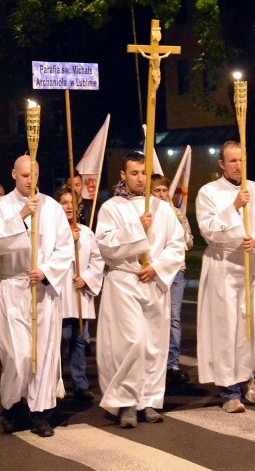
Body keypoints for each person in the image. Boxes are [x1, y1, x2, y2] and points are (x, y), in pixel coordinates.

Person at [0, 155, 74, 438]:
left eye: (33, 175)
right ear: (13, 174)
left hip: (43, 289)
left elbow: (65, 247)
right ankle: (11, 404)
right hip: (13, 288)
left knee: (44, 354)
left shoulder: (53, 207)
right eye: (24, 175)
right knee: (18, 354)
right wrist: (21, 216)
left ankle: (40, 411)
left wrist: (46, 271)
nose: (29, 181)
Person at [94, 153, 185, 428]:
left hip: (154, 281)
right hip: (125, 281)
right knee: (130, 342)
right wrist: (137, 228)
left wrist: (157, 267)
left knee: (154, 345)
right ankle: (126, 402)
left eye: (144, 173)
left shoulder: (163, 208)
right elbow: (106, 245)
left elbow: (177, 245)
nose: (140, 178)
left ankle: (149, 400)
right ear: (123, 175)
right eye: (134, 173)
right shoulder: (111, 207)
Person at [196, 141, 255, 413]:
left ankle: (247, 377)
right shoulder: (208, 192)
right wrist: (233, 207)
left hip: (251, 266)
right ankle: (229, 390)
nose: (238, 165)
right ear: (222, 164)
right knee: (227, 331)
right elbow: (208, 229)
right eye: (232, 161)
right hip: (223, 269)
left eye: (241, 160)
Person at [55, 187, 103, 402]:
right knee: (62, 337)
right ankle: (56, 380)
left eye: (71, 203)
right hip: (60, 293)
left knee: (79, 339)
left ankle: (80, 383)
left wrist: (86, 278)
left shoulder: (86, 232)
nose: (68, 207)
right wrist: (67, 239)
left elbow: (97, 260)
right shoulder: (54, 232)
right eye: (64, 203)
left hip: (79, 292)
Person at [151, 174, 195, 386]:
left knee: (174, 317)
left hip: (176, 271)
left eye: (163, 190)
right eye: (156, 191)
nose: (161, 194)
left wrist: (180, 226)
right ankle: (154, 363)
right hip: (155, 271)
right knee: (155, 316)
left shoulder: (177, 214)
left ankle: (172, 363)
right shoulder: (146, 213)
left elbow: (190, 242)